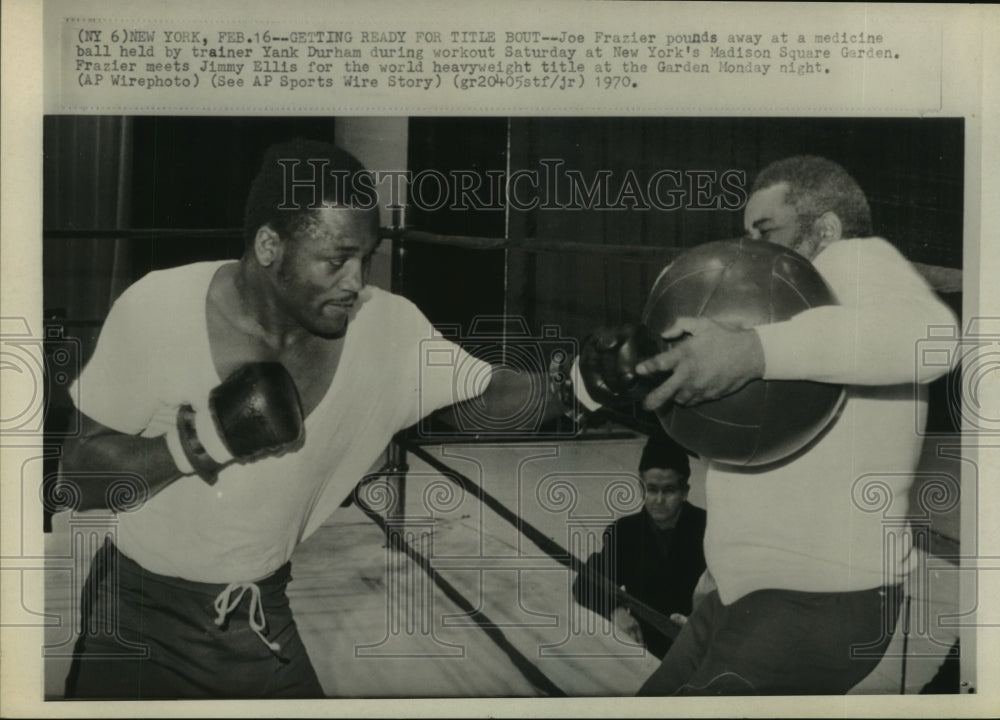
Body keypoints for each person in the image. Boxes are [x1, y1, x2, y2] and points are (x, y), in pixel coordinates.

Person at [55, 138, 566, 699]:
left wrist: (584, 384)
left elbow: (486, 395)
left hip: (259, 615)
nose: (357, 282)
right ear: (271, 245)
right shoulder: (159, 307)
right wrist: (203, 439)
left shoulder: (386, 330)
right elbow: (78, 479)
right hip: (140, 616)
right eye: (336, 259)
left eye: (365, 259)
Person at [578, 155, 960, 695]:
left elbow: (932, 339)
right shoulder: (799, 307)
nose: (752, 249)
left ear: (825, 228)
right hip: (747, 597)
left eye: (766, 231)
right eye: (746, 235)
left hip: (815, 600)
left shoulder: (856, 260)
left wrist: (752, 352)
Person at [571, 428, 706, 659]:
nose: (659, 500)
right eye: (651, 489)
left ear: (685, 492)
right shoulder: (625, 531)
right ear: (640, 487)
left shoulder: (708, 528)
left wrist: (702, 621)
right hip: (645, 648)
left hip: (701, 646)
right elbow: (585, 584)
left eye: (669, 490)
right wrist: (614, 611)